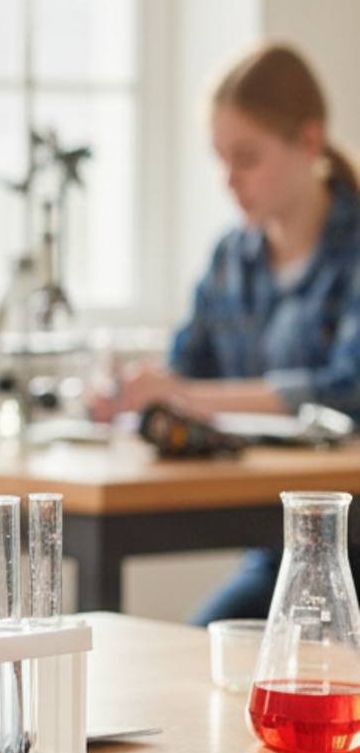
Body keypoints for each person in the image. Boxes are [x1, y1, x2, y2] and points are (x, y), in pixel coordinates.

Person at [112, 41, 360, 622]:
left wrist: (188, 397)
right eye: (220, 159)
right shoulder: (231, 257)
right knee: (195, 649)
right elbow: (185, 368)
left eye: (246, 158)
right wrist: (144, 395)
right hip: (278, 553)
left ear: (309, 142)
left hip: (350, 547)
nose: (229, 179)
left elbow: (348, 391)